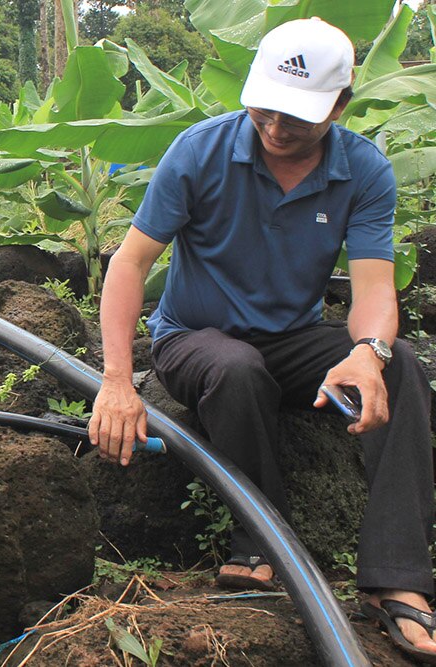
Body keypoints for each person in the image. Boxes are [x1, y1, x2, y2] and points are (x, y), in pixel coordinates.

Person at [87, 17, 436, 662]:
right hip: (196, 337)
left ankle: (398, 578)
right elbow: (129, 264)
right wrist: (115, 380)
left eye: (298, 116)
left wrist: (367, 353)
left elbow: (374, 292)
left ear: (340, 105)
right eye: (266, 108)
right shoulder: (200, 151)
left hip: (294, 338)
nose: (276, 128)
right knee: (238, 368)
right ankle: (261, 538)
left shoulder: (363, 171)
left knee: (402, 366)